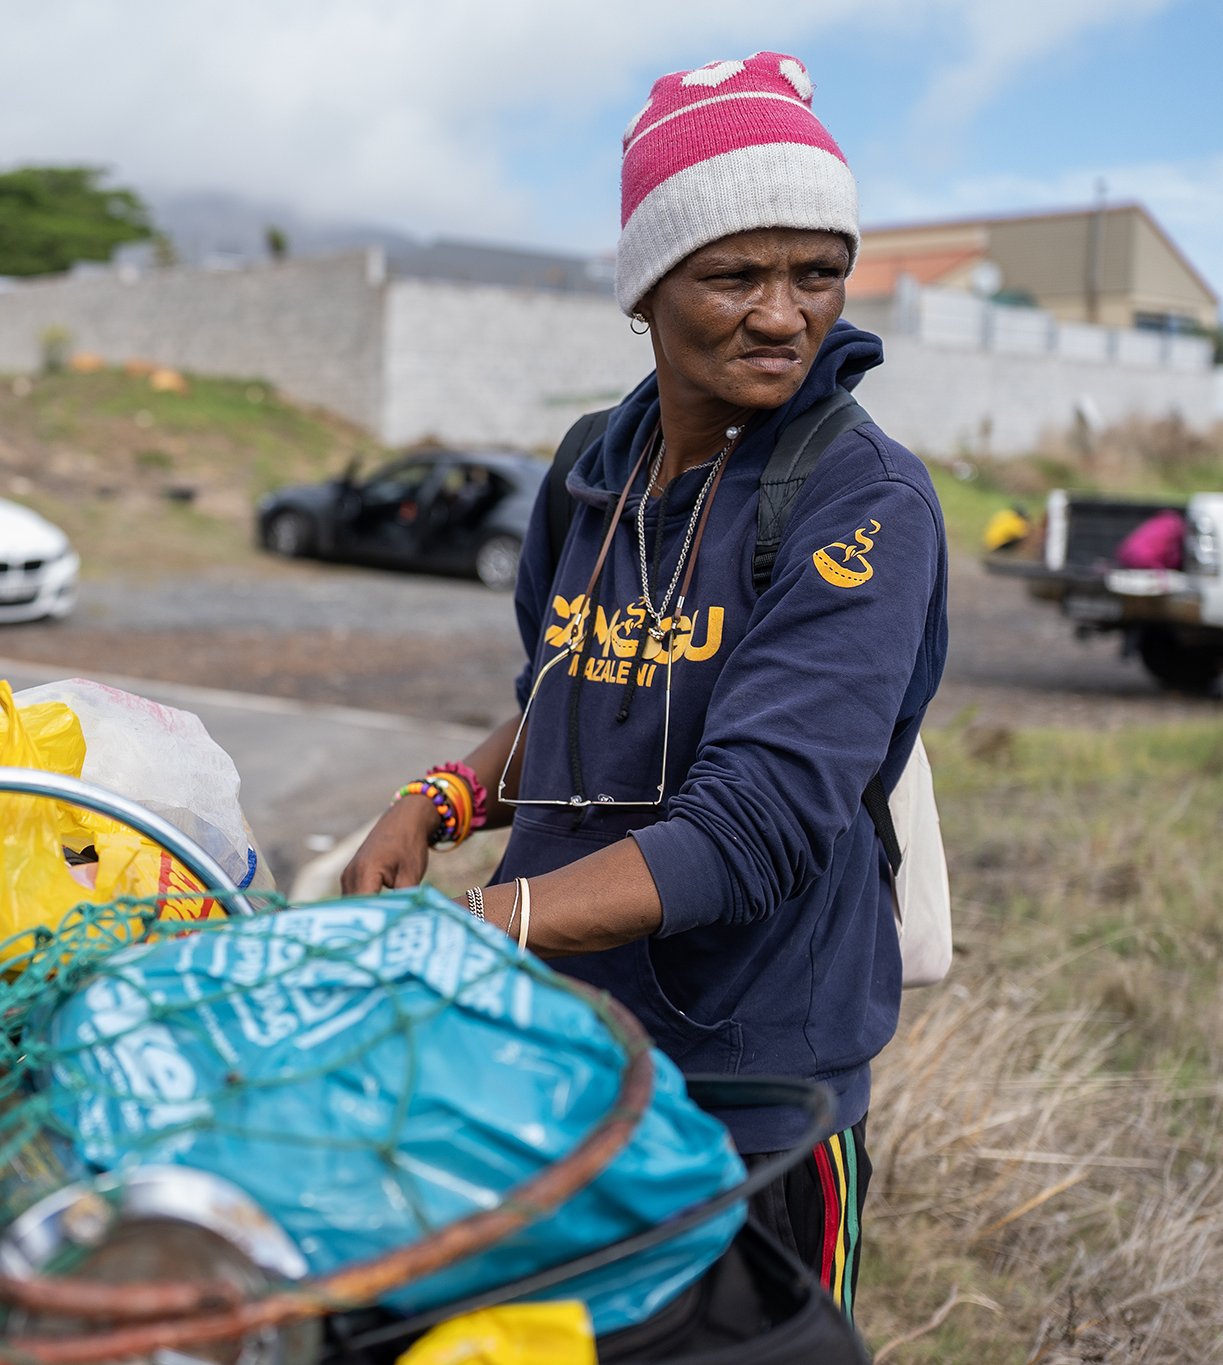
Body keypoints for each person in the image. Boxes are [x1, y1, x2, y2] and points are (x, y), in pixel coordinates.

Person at [342, 50, 949, 1319]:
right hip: (560, 1043)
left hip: (750, 1091)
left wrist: (475, 930)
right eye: (733, 275)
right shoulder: (591, 468)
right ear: (644, 289)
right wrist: (445, 797)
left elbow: (754, 830)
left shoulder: (860, 501)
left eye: (817, 273)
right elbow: (573, 696)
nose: (783, 315)